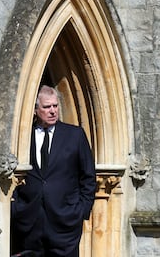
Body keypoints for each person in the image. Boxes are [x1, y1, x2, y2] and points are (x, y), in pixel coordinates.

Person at [11, 85, 96, 257]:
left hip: (65, 224)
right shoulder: (22, 137)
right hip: (29, 223)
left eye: (55, 106)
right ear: (35, 110)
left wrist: (81, 211)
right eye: (47, 107)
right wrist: (16, 209)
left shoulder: (75, 135)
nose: (52, 111)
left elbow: (88, 176)